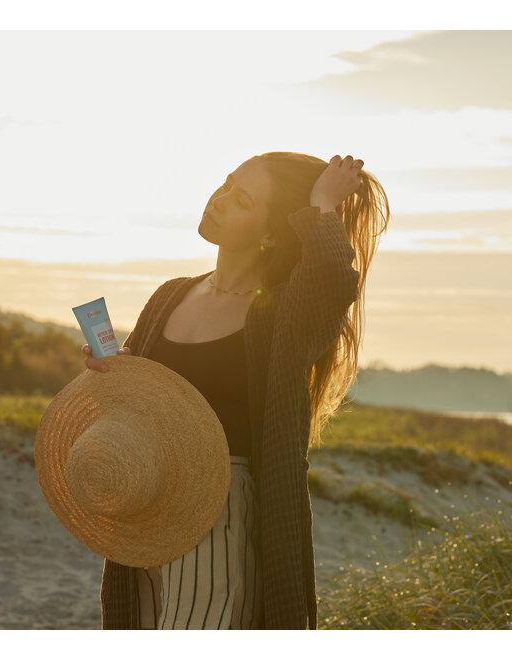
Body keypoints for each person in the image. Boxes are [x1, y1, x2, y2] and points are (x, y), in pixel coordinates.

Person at [81, 152, 389, 629]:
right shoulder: (169, 296)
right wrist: (113, 374)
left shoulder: (285, 311)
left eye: (240, 199)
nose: (219, 200)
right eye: (226, 184)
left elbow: (334, 277)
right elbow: (132, 404)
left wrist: (323, 202)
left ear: (270, 235)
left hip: (220, 511)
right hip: (149, 499)